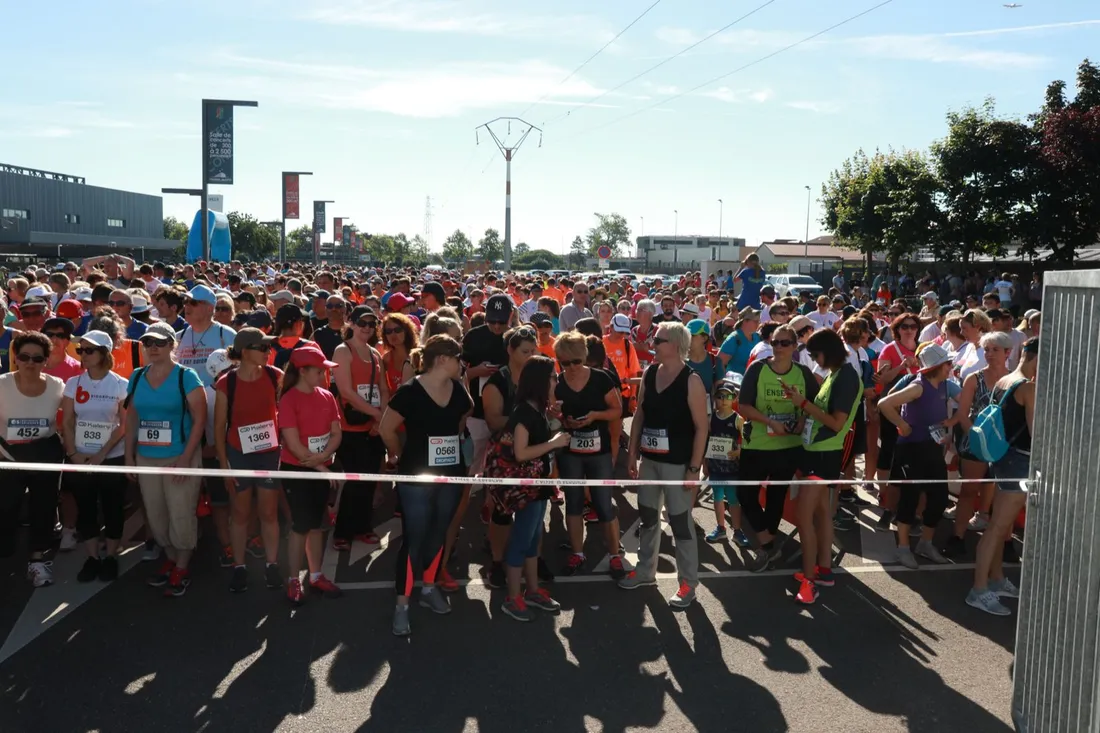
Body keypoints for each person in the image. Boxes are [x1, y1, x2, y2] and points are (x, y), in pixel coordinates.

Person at [380, 335, 472, 637]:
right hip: (416, 476)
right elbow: (386, 427)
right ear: (442, 359)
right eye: (459, 358)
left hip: (450, 475)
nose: (463, 364)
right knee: (414, 537)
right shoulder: (410, 391)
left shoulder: (458, 390)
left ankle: (429, 588)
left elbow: (465, 413)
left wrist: (452, 437)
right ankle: (401, 605)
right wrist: (397, 454)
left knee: (439, 531)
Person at [619, 321, 709, 608]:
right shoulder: (650, 372)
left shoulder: (691, 380)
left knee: (680, 524)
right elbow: (640, 416)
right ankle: (646, 572)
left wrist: (694, 469)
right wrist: (632, 454)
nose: (652, 343)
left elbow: (702, 427)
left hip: (678, 464)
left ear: (675, 345)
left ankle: (688, 583)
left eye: (658, 340)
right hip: (650, 460)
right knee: (647, 518)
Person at [123, 322, 207, 597]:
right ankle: (171, 558)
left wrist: (185, 458)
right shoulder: (136, 376)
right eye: (148, 343)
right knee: (156, 517)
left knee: (180, 514)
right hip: (147, 457)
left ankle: (181, 566)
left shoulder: (186, 377)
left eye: (159, 343)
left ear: (172, 345)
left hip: (179, 456)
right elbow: (132, 417)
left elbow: (199, 420)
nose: (153, 348)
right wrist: (129, 455)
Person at [781, 329, 862, 604]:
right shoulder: (836, 374)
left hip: (823, 453)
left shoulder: (847, 376)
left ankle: (810, 581)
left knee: (805, 518)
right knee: (821, 514)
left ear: (828, 350)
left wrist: (802, 403)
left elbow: (837, 422)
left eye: (815, 354)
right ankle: (823, 570)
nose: (814, 359)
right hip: (817, 450)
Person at [736, 323, 818, 570]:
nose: (779, 347)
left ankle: (768, 546)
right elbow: (744, 406)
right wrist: (770, 421)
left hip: (789, 446)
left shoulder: (803, 373)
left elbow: (814, 405)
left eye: (785, 343)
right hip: (758, 444)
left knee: (776, 497)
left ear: (795, 346)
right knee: (745, 494)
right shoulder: (758, 369)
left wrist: (803, 418)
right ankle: (767, 541)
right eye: (775, 342)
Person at [496, 355, 570, 621]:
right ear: (541, 381)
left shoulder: (536, 409)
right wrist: (555, 442)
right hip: (527, 488)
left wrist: (553, 419)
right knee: (521, 540)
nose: (557, 380)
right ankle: (513, 597)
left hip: (538, 485)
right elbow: (521, 452)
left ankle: (533, 590)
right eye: (553, 376)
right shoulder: (524, 413)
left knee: (532, 541)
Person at [967, 337, 1037, 615]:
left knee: (1002, 526)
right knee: (997, 528)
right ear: (1035, 358)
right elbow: (1036, 434)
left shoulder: (1005, 380)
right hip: (1019, 461)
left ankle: (995, 579)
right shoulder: (1028, 388)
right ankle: (979, 590)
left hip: (1001, 458)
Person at [213, 328, 284, 593]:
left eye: (268, 348)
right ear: (245, 352)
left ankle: (272, 564)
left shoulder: (275, 375)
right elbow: (219, 426)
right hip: (238, 454)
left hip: (269, 453)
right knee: (240, 513)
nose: (268, 352)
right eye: (263, 348)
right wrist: (223, 464)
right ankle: (239, 567)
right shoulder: (226, 383)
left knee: (268, 511)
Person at [877, 344, 955, 569]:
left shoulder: (943, 386)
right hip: (911, 449)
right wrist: (902, 424)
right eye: (948, 364)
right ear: (939, 366)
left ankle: (925, 543)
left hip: (932, 449)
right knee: (909, 498)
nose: (951, 367)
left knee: (939, 497)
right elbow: (885, 403)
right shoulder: (919, 386)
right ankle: (903, 548)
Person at [554, 331, 624, 578]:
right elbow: (553, 414)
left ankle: (615, 555)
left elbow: (617, 410)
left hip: (599, 451)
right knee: (573, 503)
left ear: (584, 357)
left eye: (576, 361)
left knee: (604, 504)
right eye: (565, 362)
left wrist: (594, 416)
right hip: (570, 451)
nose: (571, 367)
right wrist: (563, 419)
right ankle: (577, 553)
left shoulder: (601, 378)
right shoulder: (557, 382)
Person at [277, 344, 344, 605]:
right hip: (298, 472)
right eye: (319, 371)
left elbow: (336, 432)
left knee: (317, 526)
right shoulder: (289, 399)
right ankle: (293, 579)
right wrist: (320, 464)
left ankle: (315, 575)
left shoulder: (326, 396)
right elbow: (293, 445)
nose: (323, 375)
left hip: (320, 469)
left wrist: (321, 458)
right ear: (303, 371)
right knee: (300, 527)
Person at [61, 330, 129, 583]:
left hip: (112, 457)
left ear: (105, 353)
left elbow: (124, 425)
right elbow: (67, 422)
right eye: (81, 350)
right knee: (86, 508)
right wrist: (74, 453)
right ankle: (92, 557)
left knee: (113, 507)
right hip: (80, 456)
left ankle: (110, 556)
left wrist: (102, 454)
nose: (83, 355)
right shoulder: (74, 383)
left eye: (89, 350)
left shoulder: (121, 384)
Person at [0, 331, 66, 586]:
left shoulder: (57, 386)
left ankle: (37, 560)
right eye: (25, 357)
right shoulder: (2, 384)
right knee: (6, 507)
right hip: (7, 454)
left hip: (44, 452)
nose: (30, 363)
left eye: (37, 359)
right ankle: (6, 549)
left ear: (46, 361)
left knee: (44, 507)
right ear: (15, 358)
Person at [942, 331, 1012, 558]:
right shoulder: (974, 378)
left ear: (1008, 352)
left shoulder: (1015, 380)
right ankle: (958, 537)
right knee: (968, 491)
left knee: (1004, 495)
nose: (990, 354)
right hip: (975, 443)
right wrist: (977, 436)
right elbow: (963, 414)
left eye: (995, 350)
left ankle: (1006, 543)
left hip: (1003, 446)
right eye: (987, 349)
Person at [482, 326, 540, 587]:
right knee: (502, 512)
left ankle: (532, 560)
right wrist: (525, 421)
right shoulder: (498, 381)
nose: (530, 356)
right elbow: (493, 420)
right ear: (510, 350)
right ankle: (496, 561)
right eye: (525, 351)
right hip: (504, 458)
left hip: (534, 456)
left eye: (533, 351)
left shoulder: (538, 377)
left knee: (535, 513)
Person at [331, 305, 388, 553]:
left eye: (371, 324)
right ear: (351, 323)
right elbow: (346, 392)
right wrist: (376, 415)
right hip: (350, 428)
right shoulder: (343, 351)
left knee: (369, 480)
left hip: (373, 428)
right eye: (362, 323)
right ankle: (342, 531)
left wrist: (380, 420)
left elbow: (384, 390)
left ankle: (364, 527)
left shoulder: (375, 353)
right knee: (353, 482)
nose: (367, 328)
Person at [703, 373, 750, 548]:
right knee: (717, 496)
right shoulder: (711, 418)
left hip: (732, 467)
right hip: (715, 466)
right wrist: (705, 463)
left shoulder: (738, 419)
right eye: (720, 396)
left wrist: (739, 452)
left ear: (734, 398)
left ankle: (737, 530)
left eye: (728, 396)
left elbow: (747, 441)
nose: (723, 400)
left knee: (732, 498)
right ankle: (720, 528)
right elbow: (706, 440)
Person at [718, 307, 761, 379]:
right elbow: (719, 364)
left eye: (758, 321)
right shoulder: (734, 338)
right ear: (745, 321)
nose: (758, 324)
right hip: (736, 383)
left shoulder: (757, 337)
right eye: (755, 321)